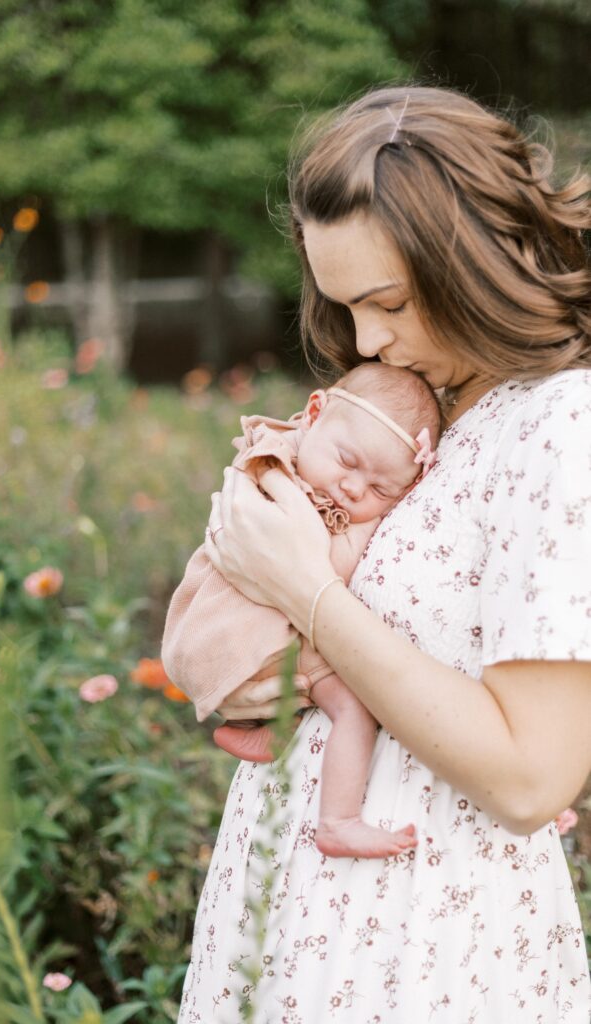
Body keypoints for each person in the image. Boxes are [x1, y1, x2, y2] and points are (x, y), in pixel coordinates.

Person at [177, 85, 591, 1023]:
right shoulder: (430, 413)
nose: (366, 341)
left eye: (389, 302)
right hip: (295, 924)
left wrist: (303, 588)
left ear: (473, 262)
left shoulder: (562, 428)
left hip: (423, 947)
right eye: (343, 307)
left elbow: (532, 778)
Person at [162, 362, 440, 858]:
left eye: (381, 491)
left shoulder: (306, 460)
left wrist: (416, 478)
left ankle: (265, 726)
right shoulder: (274, 469)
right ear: (313, 412)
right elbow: (315, 568)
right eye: (347, 461)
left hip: (217, 636)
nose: (354, 489)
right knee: (355, 707)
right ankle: (338, 821)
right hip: (235, 630)